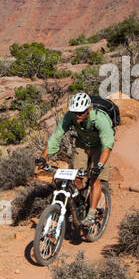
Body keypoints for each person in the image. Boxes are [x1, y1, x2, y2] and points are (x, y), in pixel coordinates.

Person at [40, 91, 113, 225]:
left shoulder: (100, 119)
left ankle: (91, 213)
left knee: (95, 180)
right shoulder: (70, 116)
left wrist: (99, 166)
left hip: (100, 147)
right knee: (76, 177)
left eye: (81, 112)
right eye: (74, 112)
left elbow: (107, 145)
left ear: (89, 109)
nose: (77, 115)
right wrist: (43, 157)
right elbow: (56, 136)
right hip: (82, 144)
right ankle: (79, 207)